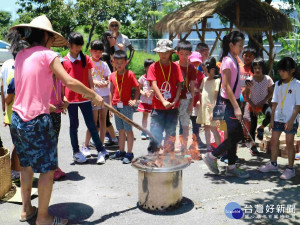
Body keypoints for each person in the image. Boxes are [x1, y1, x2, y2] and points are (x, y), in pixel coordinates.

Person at [8, 15, 104, 225]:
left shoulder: (20, 55)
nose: (52, 40)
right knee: (48, 170)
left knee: (26, 167)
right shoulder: (48, 55)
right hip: (36, 121)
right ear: (44, 35)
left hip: (17, 119)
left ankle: (26, 210)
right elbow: (68, 81)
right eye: (50, 36)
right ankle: (43, 217)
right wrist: (93, 95)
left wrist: (49, 105)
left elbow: (26, 91)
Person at [202, 31, 250, 178]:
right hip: (228, 102)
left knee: (233, 135)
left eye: (242, 45)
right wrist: (236, 107)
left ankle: (231, 166)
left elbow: (233, 84)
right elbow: (227, 86)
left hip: (230, 101)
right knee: (237, 135)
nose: (242, 48)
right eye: (240, 45)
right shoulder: (228, 61)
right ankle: (213, 156)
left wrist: (245, 84)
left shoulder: (234, 59)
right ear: (231, 45)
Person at [63, 31, 108, 164]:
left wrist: (93, 95)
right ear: (69, 44)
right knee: (74, 125)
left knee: (91, 124)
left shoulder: (86, 59)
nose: (78, 48)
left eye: (80, 45)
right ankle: (76, 152)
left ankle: (100, 150)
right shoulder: (63, 61)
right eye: (76, 45)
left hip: (85, 97)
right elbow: (62, 82)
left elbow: (90, 79)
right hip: (70, 99)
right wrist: (62, 98)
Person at [258, 57, 300, 180]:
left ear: (292, 70)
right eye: (280, 70)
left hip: (290, 119)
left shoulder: (297, 84)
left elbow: (298, 105)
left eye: (284, 70)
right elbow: (274, 103)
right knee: (274, 140)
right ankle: (273, 164)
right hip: (277, 118)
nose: (281, 73)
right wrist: (271, 119)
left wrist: (292, 120)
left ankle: (290, 169)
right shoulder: (277, 84)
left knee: (289, 143)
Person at [146, 39, 184, 153]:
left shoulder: (175, 67)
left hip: (172, 107)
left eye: (166, 52)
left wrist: (176, 100)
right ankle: (153, 157)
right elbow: (154, 85)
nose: (163, 54)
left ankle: (168, 159)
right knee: (155, 134)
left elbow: (179, 85)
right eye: (161, 52)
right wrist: (163, 101)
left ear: (171, 52)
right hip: (158, 107)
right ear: (157, 52)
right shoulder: (153, 66)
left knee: (171, 134)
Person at [83, 40, 111, 164]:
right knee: (93, 122)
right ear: (90, 51)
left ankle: (101, 144)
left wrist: (105, 82)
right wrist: (95, 82)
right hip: (94, 95)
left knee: (103, 120)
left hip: (104, 94)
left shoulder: (104, 64)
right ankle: (86, 145)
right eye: (95, 51)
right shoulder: (88, 62)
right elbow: (87, 78)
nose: (98, 54)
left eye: (100, 51)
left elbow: (107, 77)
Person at [109, 50, 139, 164]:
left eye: (121, 62)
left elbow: (137, 88)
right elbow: (111, 92)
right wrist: (111, 106)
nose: (119, 65)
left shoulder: (130, 74)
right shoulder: (112, 75)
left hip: (126, 105)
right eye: (117, 62)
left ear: (126, 62)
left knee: (128, 130)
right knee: (120, 130)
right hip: (116, 105)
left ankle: (129, 153)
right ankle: (121, 151)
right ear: (113, 62)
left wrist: (135, 100)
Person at [244, 57, 273, 155]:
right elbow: (246, 95)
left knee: (270, 115)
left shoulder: (268, 79)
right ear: (253, 69)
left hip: (263, 103)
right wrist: (253, 106)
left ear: (262, 68)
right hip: (252, 104)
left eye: (259, 68)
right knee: (253, 126)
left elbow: (271, 92)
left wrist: (263, 101)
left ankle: (261, 128)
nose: (257, 70)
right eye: (255, 68)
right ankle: (252, 146)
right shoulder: (249, 80)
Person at [49, 53, 69, 180]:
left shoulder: (60, 80)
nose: (60, 66)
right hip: (46, 114)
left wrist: (66, 102)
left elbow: (63, 96)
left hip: (57, 114)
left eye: (61, 64)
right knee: (48, 141)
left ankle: (54, 167)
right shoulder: (45, 79)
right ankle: (50, 169)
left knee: (54, 140)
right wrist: (49, 106)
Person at [196, 57, 221, 150]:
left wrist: (213, 111)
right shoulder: (205, 80)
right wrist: (199, 100)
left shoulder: (217, 81)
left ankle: (219, 150)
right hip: (204, 107)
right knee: (206, 127)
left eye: (206, 71)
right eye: (204, 70)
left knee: (213, 129)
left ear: (213, 69)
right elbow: (202, 91)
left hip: (211, 108)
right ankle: (208, 147)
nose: (205, 72)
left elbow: (215, 97)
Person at [176, 41, 196, 153]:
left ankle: (184, 147)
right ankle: (172, 145)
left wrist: (191, 103)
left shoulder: (192, 68)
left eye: (186, 54)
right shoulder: (174, 65)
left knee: (185, 124)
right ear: (177, 53)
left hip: (185, 99)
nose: (184, 56)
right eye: (181, 53)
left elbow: (192, 87)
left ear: (190, 54)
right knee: (172, 123)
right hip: (173, 99)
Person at [100, 30, 119, 146]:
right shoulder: (104, 54)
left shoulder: (111, 51)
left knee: (105, 116)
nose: (115, 40)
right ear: (108, 38)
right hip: (103, 86)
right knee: (103, 116)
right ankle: (109, 136)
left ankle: (111, 136)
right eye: (113, 38)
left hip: (110, 85)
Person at [188, 51, 206, 149]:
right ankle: (185, 142)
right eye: (193, 62)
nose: (195, 64)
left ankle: (195, 141)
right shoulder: (186, 73)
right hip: (186, 102)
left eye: (197, 63)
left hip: (196, 103)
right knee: (185, 123)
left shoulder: (200, 75)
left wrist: (197, 90)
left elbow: (203, 88)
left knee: (196, 123)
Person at [137, 59, 155, 140]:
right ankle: (144, 131)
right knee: (145, 116)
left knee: (154, 116)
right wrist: (142, 93)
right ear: (145, 68)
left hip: (153, 100)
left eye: (152, 67)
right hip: (144, 100)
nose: (150, 69)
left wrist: (153, 91)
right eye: (148, 67)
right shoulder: (142, 78)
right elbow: (138, 88)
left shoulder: (156, 77)